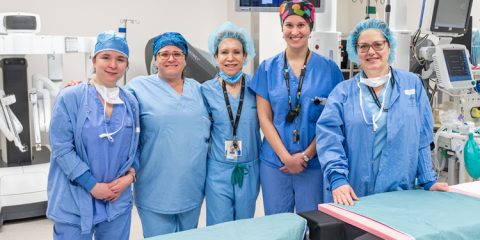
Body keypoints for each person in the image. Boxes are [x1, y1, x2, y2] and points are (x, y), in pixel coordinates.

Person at [316, 19, 449, 206]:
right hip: (352, 193)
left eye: (378, 44)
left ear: (389, 46)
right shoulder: (342, 92)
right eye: (363, 47)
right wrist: (338, 179)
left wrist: (428, 179)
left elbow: (423, 137)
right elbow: (329, 140)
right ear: (356, 51)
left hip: (399, 192)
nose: (371, 52)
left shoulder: (412, 85)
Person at [249, 0, 344, 215]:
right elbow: (264, 118)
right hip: (275, 163)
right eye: (289, 25)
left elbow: (333, 121)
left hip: (313, 164)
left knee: (313, 224)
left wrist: (306, 156)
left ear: (310, 27)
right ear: (281, 28)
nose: (295, 31)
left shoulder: (329, 70)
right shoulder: (267, 68)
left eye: (301, 25)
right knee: (278, 225)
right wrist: (285, 157)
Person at [47, 31, 139, 240]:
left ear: (127, 65)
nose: (113, 65)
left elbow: (136, 147)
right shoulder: (71, 97)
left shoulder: (131, 102)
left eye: (120, 59)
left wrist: (129, 179)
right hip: (75, 198)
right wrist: (92, 185)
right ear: (94, 60)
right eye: (106, 57)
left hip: (117, 200)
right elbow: (61, 148)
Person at [125, 32, 210, 237]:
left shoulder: (199, 90)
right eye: (163, 54)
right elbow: (109, 104)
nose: (171, 58)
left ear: (185, 59)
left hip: (192, 185)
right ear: (155, 59)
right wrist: (84, 87)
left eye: (177, 54)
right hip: (156, 187)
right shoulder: (138, 87)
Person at [201, 22, 260, 226]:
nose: (230, 57)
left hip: (250, 168)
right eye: (224, 52)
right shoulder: (205, 91)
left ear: (245, 56)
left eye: (236, 52)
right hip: (218, 169)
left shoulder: (257, 87)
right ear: (215, 57)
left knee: (244, 226)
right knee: (219, 228)